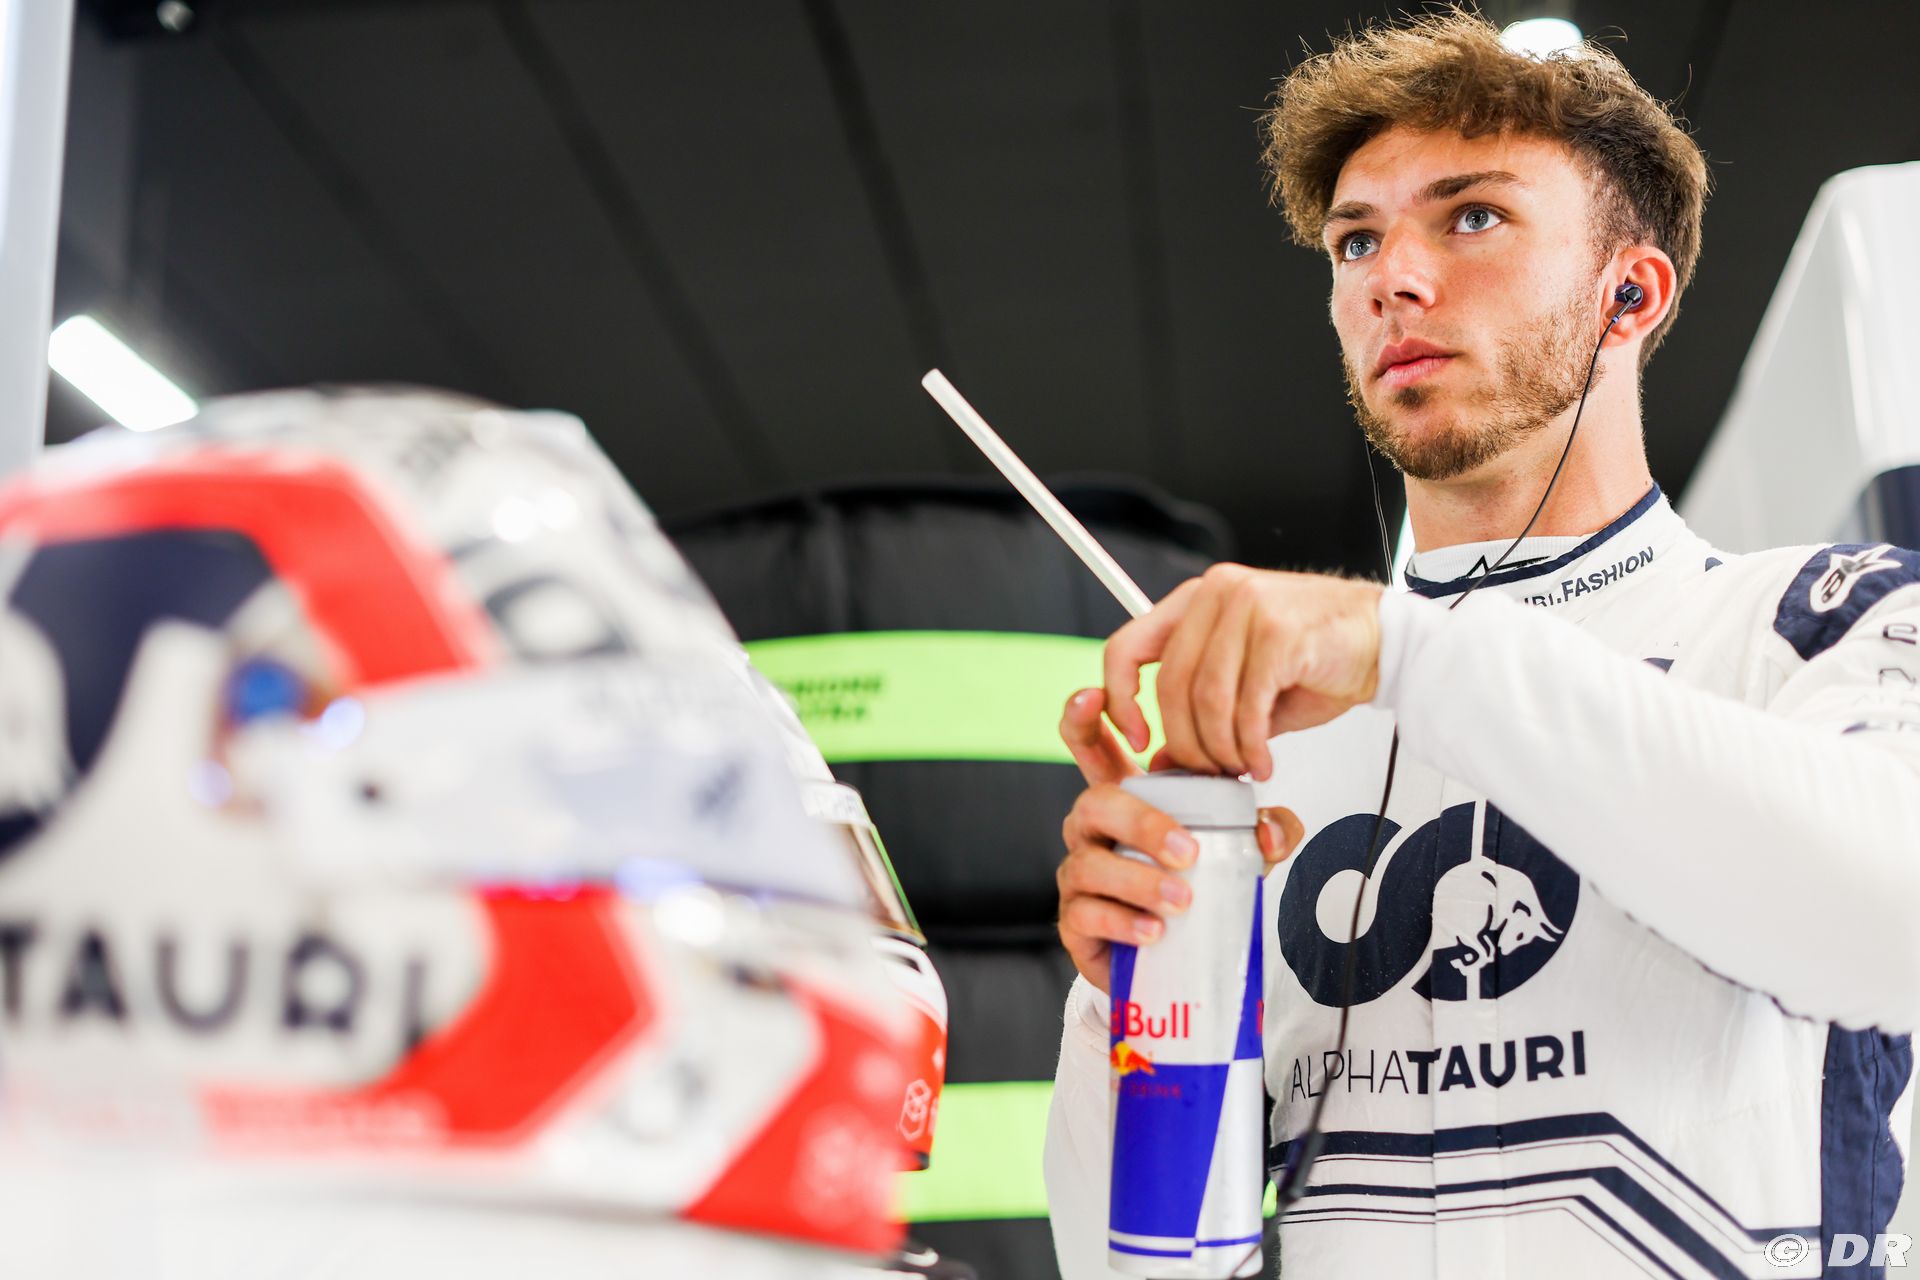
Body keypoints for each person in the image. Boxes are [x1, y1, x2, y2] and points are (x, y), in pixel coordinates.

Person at [1044, 10, 1920, 1279]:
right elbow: (1145, 1262)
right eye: (1356, 238)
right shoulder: (1269, 759)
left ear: (1631, 292)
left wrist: (1406, 649)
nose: (1391, 276)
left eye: (1472, 216)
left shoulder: (1815, 621)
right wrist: (1124, 993)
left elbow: (1889, 925)